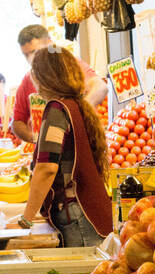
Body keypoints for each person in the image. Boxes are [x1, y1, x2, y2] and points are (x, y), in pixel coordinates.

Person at [14, 46, 111, 247]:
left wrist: (26, 221)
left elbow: (47, 168)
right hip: (90, 211)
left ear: (43, 77)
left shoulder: (57, 109)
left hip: (77, 215)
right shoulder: (78, 105)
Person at [11, 25, 106, 144]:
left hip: (79, 143)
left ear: (50, 45)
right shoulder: (28, 79)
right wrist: (35, 138)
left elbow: (101, 87)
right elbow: (17, 122)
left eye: (35, 52)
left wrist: (78, 114)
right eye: (26, 55)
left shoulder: (69, 65)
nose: (31, 59)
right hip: (48, 150)